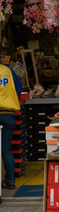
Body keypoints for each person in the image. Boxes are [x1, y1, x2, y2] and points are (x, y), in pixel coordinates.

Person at [0, 62, 22, 190]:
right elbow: (18, 88)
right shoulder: (8, 70)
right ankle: (10, 181)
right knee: (6, 149)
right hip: (9, 114)